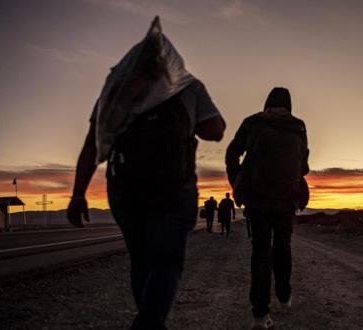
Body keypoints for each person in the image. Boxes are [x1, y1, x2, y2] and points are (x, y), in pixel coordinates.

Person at [67, 17, 225, 330]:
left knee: (141, 260)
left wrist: (77, 195)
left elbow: (92, 145)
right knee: (167, 261)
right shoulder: (189, 87)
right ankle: (149, 324)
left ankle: (149, 320)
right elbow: (216, 130)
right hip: (175, 188)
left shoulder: (119, 90)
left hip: (125, 188)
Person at [225, 87, 309, 329]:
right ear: (289, 104)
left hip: (257, 199)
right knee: (283, 247)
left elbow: (232, 153)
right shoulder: (299, 126)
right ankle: (284, 296)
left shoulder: (252, 122)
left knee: (260, 252)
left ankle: (260, 315)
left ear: (267, 102)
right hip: (286, 200)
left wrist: (238, 180)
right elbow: (304, 165)